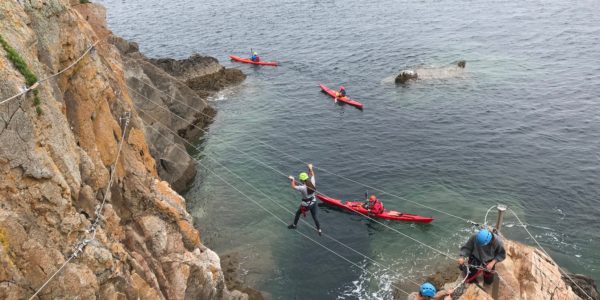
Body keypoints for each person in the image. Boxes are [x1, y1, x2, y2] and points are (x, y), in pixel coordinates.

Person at [287, 163, 321, 235]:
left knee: (297, 213)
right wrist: (310, 168)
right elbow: (312, 175)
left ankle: (294, 225)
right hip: (314, 202)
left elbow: (293, 186)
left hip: (306, 205)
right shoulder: (312, 182)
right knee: (315, 217)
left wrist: (292, 179)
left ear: (302, 180)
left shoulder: (302, 188)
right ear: (307, 178)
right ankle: (319, 229)